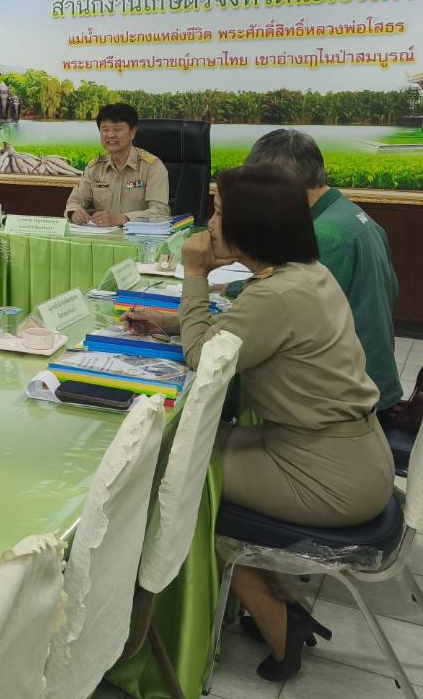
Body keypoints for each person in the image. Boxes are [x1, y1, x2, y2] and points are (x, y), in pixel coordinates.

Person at [130, 164, 393, 682]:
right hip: (350, 455)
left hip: (326, 475)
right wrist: (169, 321)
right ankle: (273, 599)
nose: (209, 223)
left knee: (177, 475)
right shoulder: (304, 274)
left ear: (252, 227)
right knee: (189, 452)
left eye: (220, 213)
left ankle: (276, 619)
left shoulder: (277, 295)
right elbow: (237, 331)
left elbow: (204, 359)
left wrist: (194, 275)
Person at [241, 129, 404, 420]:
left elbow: (281, 310)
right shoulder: (349, 215)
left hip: (348, 398)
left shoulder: (325, 236)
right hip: (369, 378)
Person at [64, 103, 170, 225]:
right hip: (103, 238)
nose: (110, 135)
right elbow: (74, 202)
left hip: (140, 239)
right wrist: (75, 212)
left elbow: (161, 212)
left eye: (117, 129)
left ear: (132, 133)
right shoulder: (95, 167)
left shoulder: (152, 166)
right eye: (105, 130)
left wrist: (123, 219)